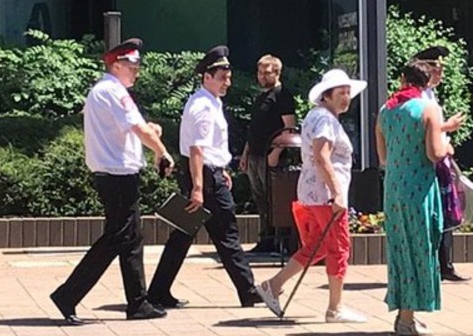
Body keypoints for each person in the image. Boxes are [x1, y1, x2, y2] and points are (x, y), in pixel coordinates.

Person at [50, 38, 172, 324]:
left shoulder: (109, 91)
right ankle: (68, 294)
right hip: (116, 176)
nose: (137, 71)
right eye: (132, 65)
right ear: (116, 65)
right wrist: (162, 152)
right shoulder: (111, 90)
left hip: (119, 174)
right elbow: (139, 129)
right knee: (117, 238)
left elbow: (134, 129)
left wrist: (150, 134)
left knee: (131, 239)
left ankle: (138, 302)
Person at [147, 45, 263, 309]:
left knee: (182, 236)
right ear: (206, 77)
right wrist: (199, 188)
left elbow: (207, 147)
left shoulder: (211, 102)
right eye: (222, 77)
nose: (227, 82)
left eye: (228, 77)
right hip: (204, 178)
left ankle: (157, 292)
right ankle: (248, 290)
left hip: (208, 173)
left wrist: (221, 170)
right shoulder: (202, 106)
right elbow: (197, 149)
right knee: (227, 234)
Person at [255, 69, 367, 323]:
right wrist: (337, 193)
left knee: (318, 245)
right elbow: (322, 157)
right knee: (338, 247)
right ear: (326, 96)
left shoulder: (317, 116)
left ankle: (273, 285)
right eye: (341, 93)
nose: (346, 97)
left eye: (348, 92)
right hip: (326, 194)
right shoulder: (326, 120)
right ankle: (335, 308)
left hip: (312, 192)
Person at [375, 59, 451, 335]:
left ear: (403, 80)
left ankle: (404, 314)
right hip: (419, 189)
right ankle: (407, 319)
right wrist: (446, 138)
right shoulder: (428, 108)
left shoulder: (386, 110)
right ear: (426, 82)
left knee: (400, 250)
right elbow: (435, 153)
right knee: (421, 248)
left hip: (394, 188)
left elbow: (383, 157)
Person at [413, 46, 470, 282]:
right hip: (431, 160)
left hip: (441, 157)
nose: (441, 74)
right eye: (437, 69)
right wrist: (448, 127)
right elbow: (424, 127)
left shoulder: (430, 95)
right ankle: (437, 265)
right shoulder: (419, 97)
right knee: (438, 213)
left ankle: (445, 264)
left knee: (447, 212)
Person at [240, 54, 296, 254]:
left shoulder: (282, 96)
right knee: (260, 199)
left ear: (277, 73)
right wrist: (245, 154)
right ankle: (265, 239)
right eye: (260, 72)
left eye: (266, 73)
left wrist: (276, 152)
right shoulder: (261, 97)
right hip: (255, 154)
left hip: (271, 157)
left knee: (275, 200)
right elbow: (254, 128)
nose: (262, 77)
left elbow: (289, 128)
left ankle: (279, 241)